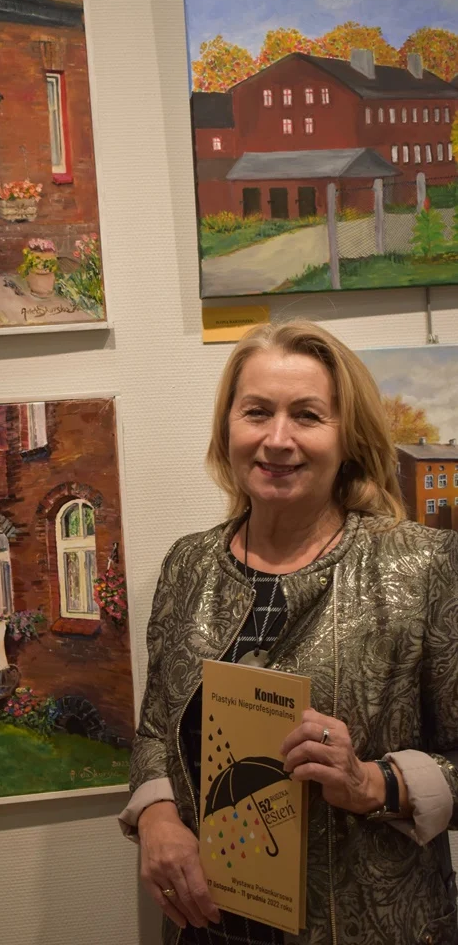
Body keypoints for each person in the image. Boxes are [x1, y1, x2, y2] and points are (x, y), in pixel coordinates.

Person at [119, 320, 458, 945]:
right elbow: (154, 732)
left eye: (307, 415)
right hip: (212, 926)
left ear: (348, 437)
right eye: (256, 412)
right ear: (228, 428)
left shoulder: (425, 566)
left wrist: (373, 784)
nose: (277, 440)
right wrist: (157, 816)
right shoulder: (188, 565)